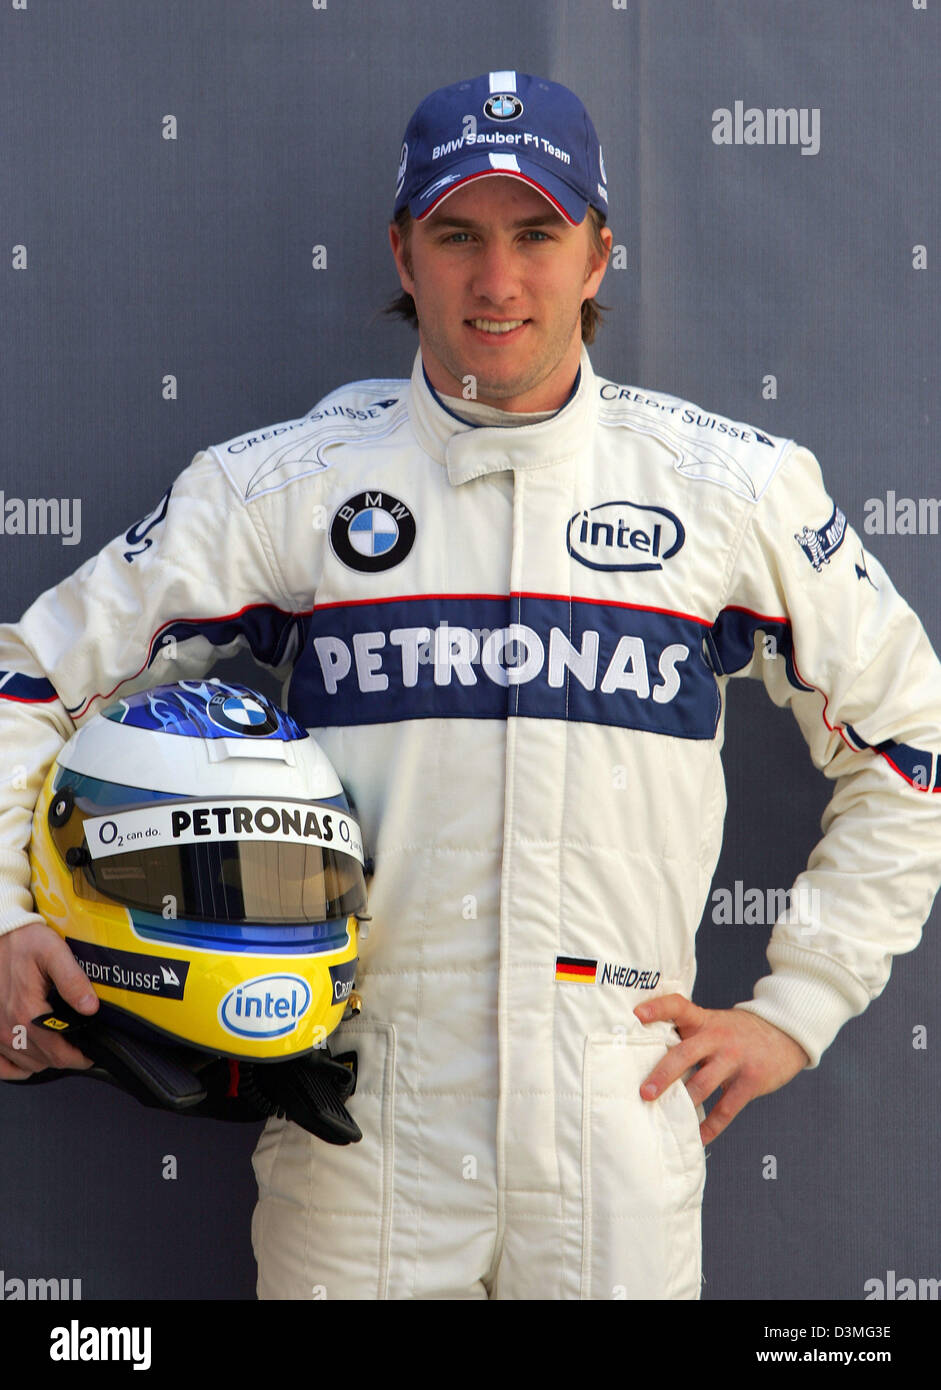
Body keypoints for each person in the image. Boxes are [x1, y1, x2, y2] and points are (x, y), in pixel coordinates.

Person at [1, 69, 940, 1301]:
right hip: (360, 1113)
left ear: (600, 252)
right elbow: (29, 683)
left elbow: (910, 751)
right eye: (456, 236)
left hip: (619, 1103)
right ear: (403, 250)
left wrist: (798, 1005)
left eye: (537, 233)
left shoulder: (733, 487)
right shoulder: (284, 482)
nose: (497, 282)